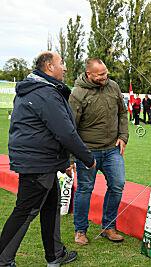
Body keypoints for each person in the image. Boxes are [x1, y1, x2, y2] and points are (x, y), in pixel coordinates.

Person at [0, 51, 96, 267]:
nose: (64, 68)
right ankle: (3, 260)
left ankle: (55, 254)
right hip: (38, 163)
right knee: (25, 211)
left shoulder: (40, 90)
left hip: (42, 161)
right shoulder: (45, 93)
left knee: (51, 206)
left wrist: (65, 160)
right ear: (49, 67)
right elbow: (65, 132)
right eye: (61, 63)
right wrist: (87, 158)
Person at [69, 58, 129, 245]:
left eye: (106, 73)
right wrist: (70, 157)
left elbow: (122, 112)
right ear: (89, 74)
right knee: (85, 189)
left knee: (118, 184)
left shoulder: (113, 87)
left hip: (112, 149)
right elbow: (70, 127)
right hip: (87, 151)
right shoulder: (77, 93)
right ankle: (80, 231)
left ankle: (108, 227)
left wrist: (123, 136)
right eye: (100, 74)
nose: (105, 77)